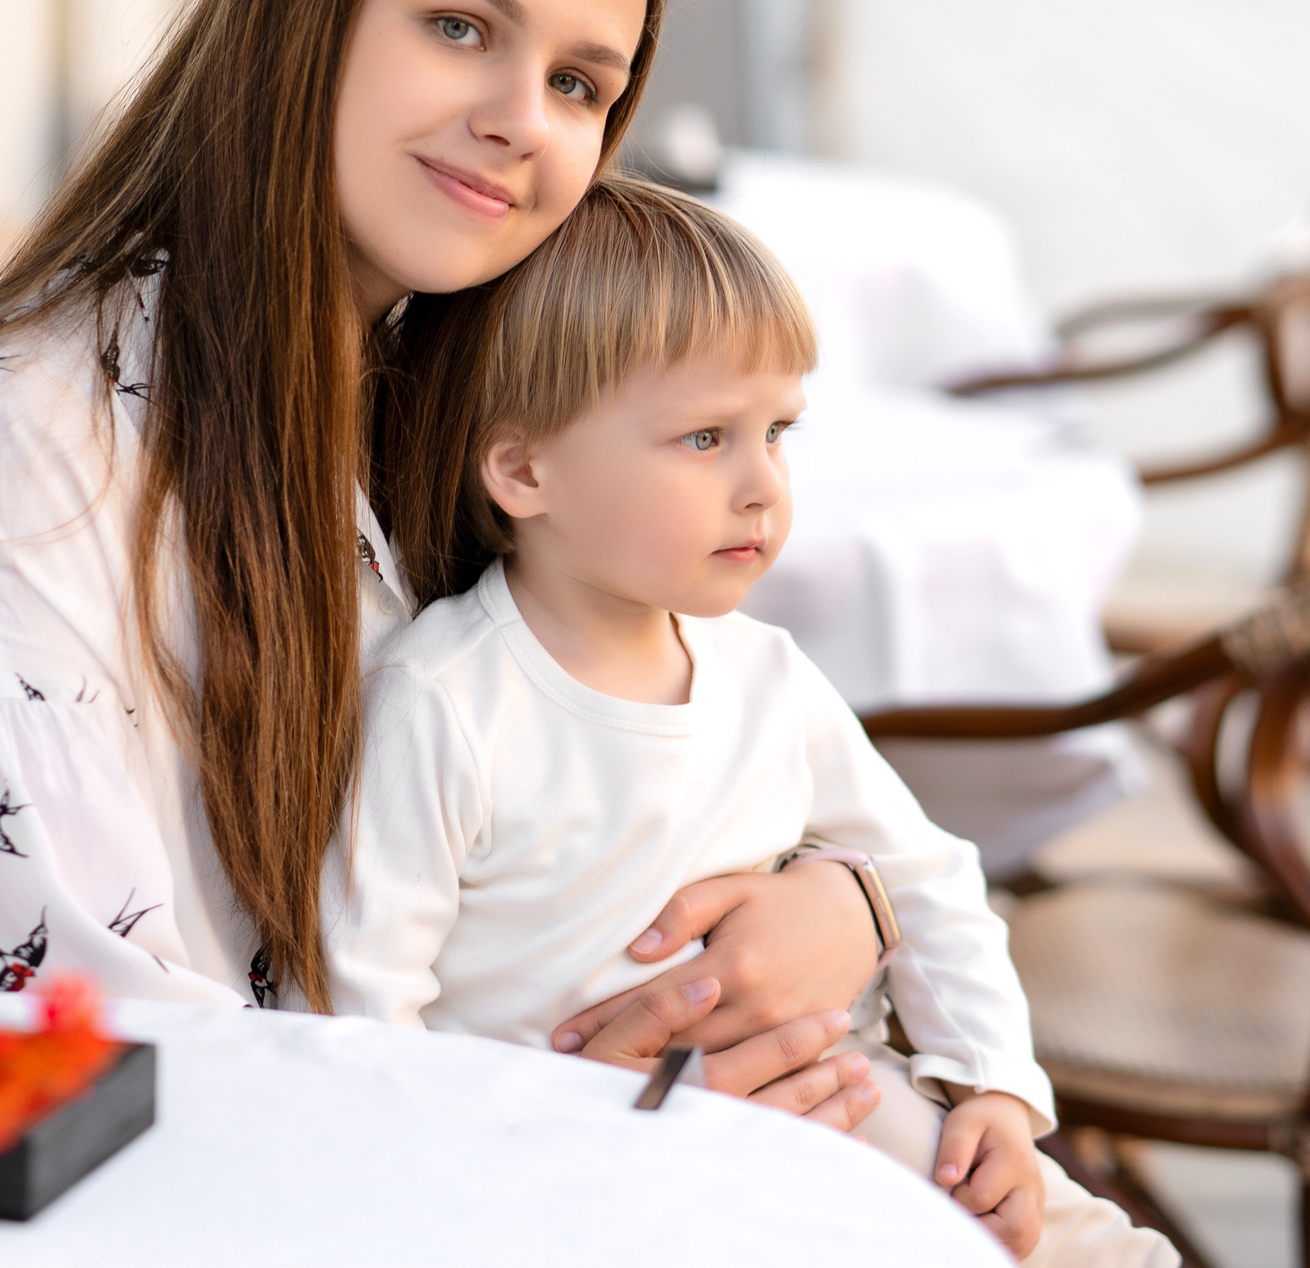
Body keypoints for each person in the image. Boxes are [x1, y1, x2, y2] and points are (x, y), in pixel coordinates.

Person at [0, 0, 890, 1129]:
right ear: (305, 9)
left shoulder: (444, 401)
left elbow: (630, 759)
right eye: (458, 25)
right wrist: (565, 1105)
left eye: (577, 83)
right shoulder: (22, 458)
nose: (521, 119)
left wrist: (847, 898)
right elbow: (92, 1064)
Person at [332, 179, 1175, 1264]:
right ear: (524, 468)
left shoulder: (765, 673)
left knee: (1097, 1248)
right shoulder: (445, 703)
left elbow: (925, 875)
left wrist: (995, 1090)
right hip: (588, 1188)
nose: (762, 485)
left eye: (777, 431)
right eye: (703, 438)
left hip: (847, 1111)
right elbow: (361, 1016)